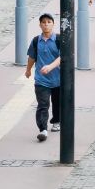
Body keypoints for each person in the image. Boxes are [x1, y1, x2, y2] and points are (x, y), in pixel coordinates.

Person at [25, 13, 63, 143]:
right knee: (43, 104)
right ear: (40, 25)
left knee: (57, 103)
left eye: (49, 22)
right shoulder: (36, 41)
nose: (46, 24)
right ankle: (43, 129)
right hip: (41, 80)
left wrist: (50, 67)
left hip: (58, 79)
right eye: (43, 22)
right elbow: (31, 56)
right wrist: (28, 69)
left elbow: (62, 57)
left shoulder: (59, 39)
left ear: (53, 24)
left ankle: (57, 120)